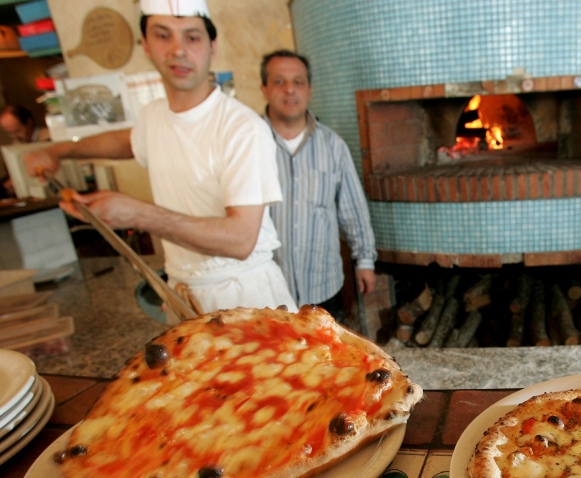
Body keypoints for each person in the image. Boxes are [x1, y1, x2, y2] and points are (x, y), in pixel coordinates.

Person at [23, 0, 296, 321]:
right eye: (163, 35)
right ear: (146, 46)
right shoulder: (153, 116)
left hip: (246, 298)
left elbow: (240, 240)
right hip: (183, 293)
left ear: (213, 46)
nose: (178, 50)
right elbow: (128, 141)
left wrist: (138, 214)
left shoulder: (242, 127)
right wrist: (59, 151)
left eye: (192, 38)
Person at [260, 49, 377, 320]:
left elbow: (353, 210)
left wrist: (365, 262)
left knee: (324, 360)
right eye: (279, 81)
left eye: (298, 82)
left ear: (309, 89)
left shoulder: (332, 145)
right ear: (264, 89)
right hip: (267, 290)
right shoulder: (247, 143)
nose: (290, 90)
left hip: (323, 286)